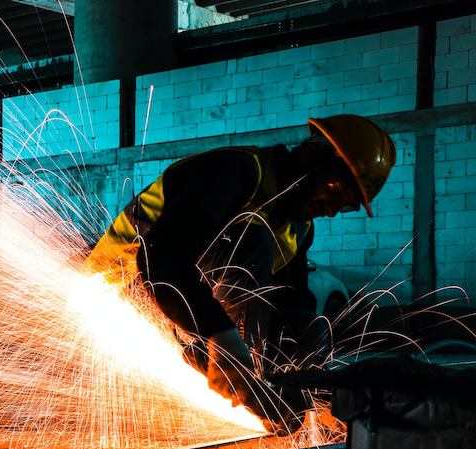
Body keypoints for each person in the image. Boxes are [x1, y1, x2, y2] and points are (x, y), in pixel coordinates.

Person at [84, 115, 396, 432]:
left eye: (344, 205)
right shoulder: (235, 171)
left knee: (309, 328)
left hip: (178, 302)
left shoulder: (298, 228)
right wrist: (221, 337)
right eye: (333, 190)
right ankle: (218, 363)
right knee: (249, 239)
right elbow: (161, 261)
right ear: (313, 156)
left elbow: (292, 304)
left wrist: (312, 388)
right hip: (123, 292)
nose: (330, 209)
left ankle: (269, 398)